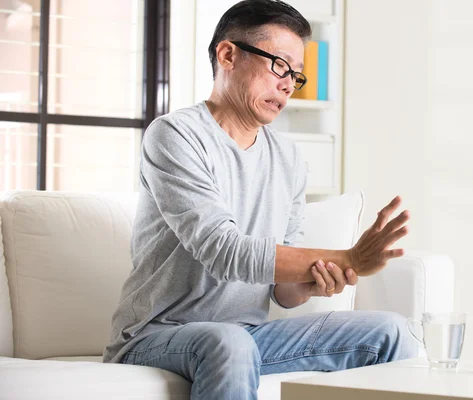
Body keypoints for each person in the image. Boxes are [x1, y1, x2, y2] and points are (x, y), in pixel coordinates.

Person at [103, 0, 417, 398]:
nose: (287, 84)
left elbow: (284, 294)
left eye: (296, 76)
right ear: (228, 54)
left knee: (390, 332)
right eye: (279, 65)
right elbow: (223, 251)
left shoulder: (288, 158)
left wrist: (313, 280)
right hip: (158, 337)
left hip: (248, 337)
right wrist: (349, 257)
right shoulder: (174, 135)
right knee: (229, 342)